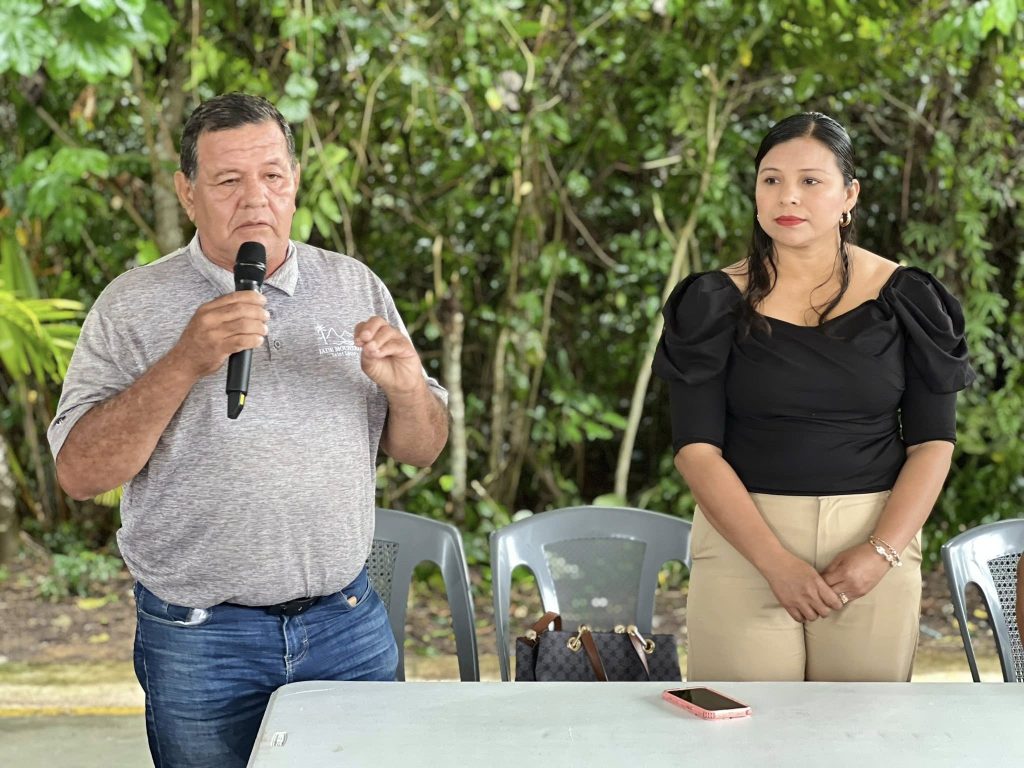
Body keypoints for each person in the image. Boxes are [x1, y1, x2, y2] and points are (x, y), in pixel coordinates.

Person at [47, 93, 449, 766]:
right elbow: (80, 473)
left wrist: (407, 389)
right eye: (228, 180)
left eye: (272, 175)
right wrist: (184, 360)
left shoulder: (354, 286)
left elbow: (423, 447)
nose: (255, 198)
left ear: (296, 181)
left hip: (346, 624)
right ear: (188, 192)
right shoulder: (131, 305)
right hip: (200, 640)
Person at [653, 112, 974, 682]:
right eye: (771, 179)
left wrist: (880, 552)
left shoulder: (908, 298)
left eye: (810, 180)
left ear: (849, 194)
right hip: (744, 543)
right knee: (746, 724)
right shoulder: (711, 302)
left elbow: (933, 443)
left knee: (863, 725)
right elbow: (696, 449)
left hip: (875, 539)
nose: (788, 197)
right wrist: (775, 562)